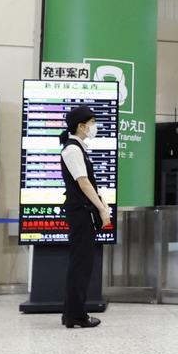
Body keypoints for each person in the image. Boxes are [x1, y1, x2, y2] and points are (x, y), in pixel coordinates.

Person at [58, 105, 111, 329]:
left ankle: (72, 313)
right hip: (80, 213)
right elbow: (83, 182)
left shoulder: (79, 148)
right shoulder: (72, 149)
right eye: (91, 123)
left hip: (82, 211)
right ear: (81, 126)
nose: (94, 127)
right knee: (81, 264)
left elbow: (89, 183)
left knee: (81, 263)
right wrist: (101, 208)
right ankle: (76, 315)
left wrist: (102, 203)